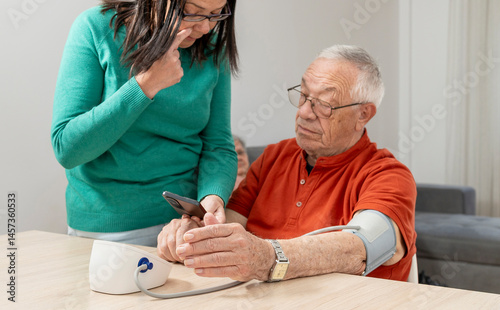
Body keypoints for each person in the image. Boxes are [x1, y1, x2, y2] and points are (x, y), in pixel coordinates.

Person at [157, 45, 417, 282]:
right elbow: (227, 227)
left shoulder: (389, 175)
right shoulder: (275, 157)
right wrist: (191, 234)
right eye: (303, 95)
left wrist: (268, 257)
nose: (304, 112)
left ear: (363, 114)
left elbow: (363, 246)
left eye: (324, 105)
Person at [51, 0, 239, 246]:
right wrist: (145, 85)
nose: (206, 27)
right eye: (193, 12)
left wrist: (213, 197)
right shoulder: (96, 28)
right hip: (104, 227)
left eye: (215, 14)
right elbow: (68, 148)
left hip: (182, 225)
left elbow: (218, 144)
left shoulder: (212, 51)